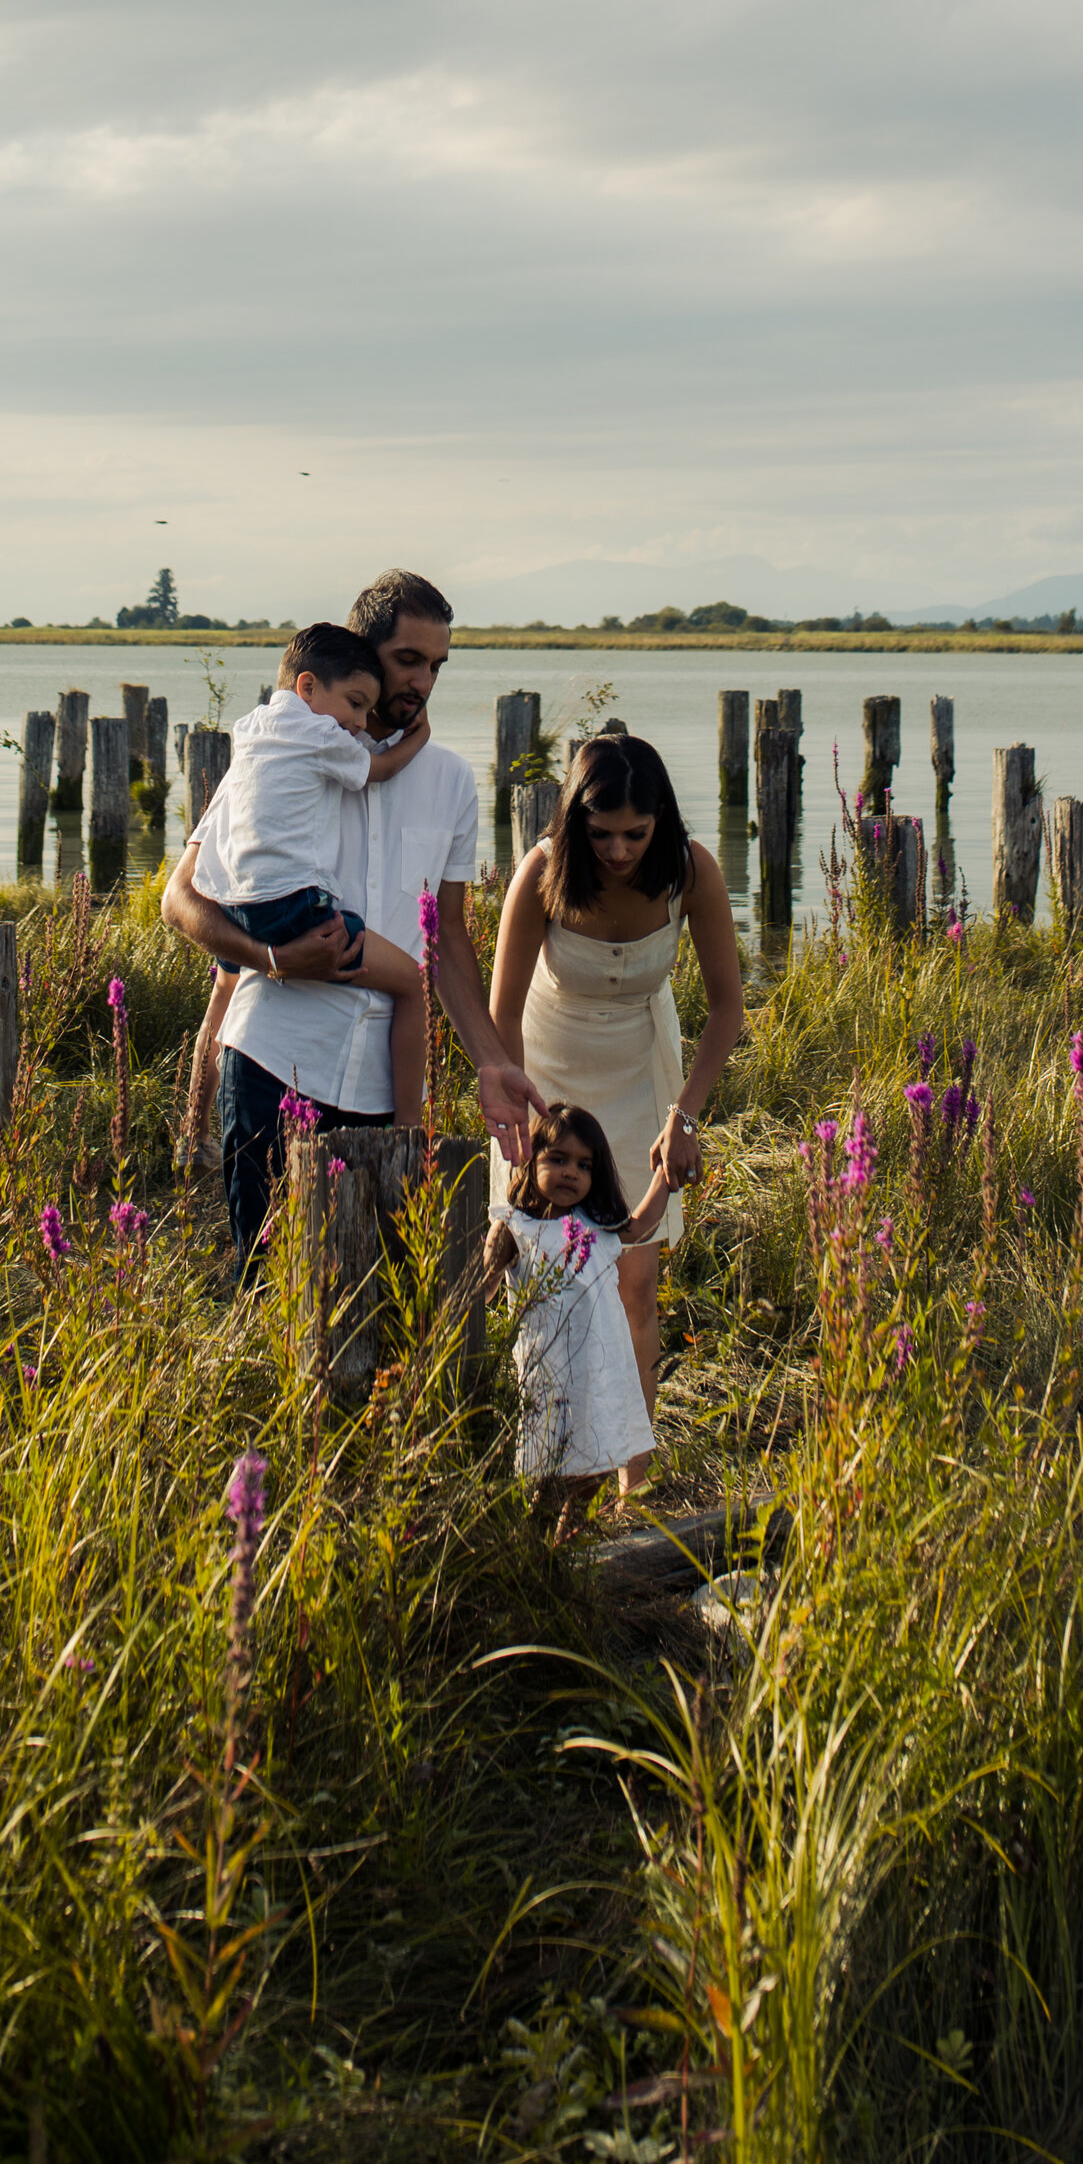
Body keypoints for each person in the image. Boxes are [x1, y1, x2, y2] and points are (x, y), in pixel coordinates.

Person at [165, 566, 549, 1263]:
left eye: (436, 665)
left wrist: (491, 1060)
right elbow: (181, 899)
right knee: (269, 1284)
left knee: (382, 1295)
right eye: (409, 660)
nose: (424, 683)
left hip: (387, 1088)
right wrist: (273, 960)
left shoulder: (451, 782)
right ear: (362, 651)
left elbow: (449, 942)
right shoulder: (280, 752)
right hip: (273, 1061)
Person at [487, 730, 744, 1480]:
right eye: (601, 834)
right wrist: (529, 1126)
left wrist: (685, 1117)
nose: (620, 850)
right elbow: (502, 1017)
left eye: (636, 833)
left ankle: (632, 1470)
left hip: (640, 1068)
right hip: (550, 1074)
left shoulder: (693, 871)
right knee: (543, 1277)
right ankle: (546, 1457)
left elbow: (728, 1009)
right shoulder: (542, 872)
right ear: (575, 824)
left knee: (634, 1278)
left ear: (662, 817)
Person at [185, 621, 427, 1146]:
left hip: (236, 902)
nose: (360, 723)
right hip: (294, 908)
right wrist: (417, 740)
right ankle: (411, 1137)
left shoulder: (252, 731)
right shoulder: (321, 735)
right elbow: (377, 769)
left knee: (225, 987)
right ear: (308, 687)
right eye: (356, 704)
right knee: (411, 982)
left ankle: (192, 1130)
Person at [483, 1102, 673, 1528]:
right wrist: (486, 1270)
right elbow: (485, 1286)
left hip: (601, 1371)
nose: (571, 1172)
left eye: (584, 1165)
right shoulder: (517, 1227)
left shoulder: (596, 1225)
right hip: (551, 1376)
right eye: (558, 1159)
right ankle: (538, 1550)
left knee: (600, 1463)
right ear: (531, 1160)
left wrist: (665, 1174)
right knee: (551, 1473)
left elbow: (641, 1224)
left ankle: (566, 1545)